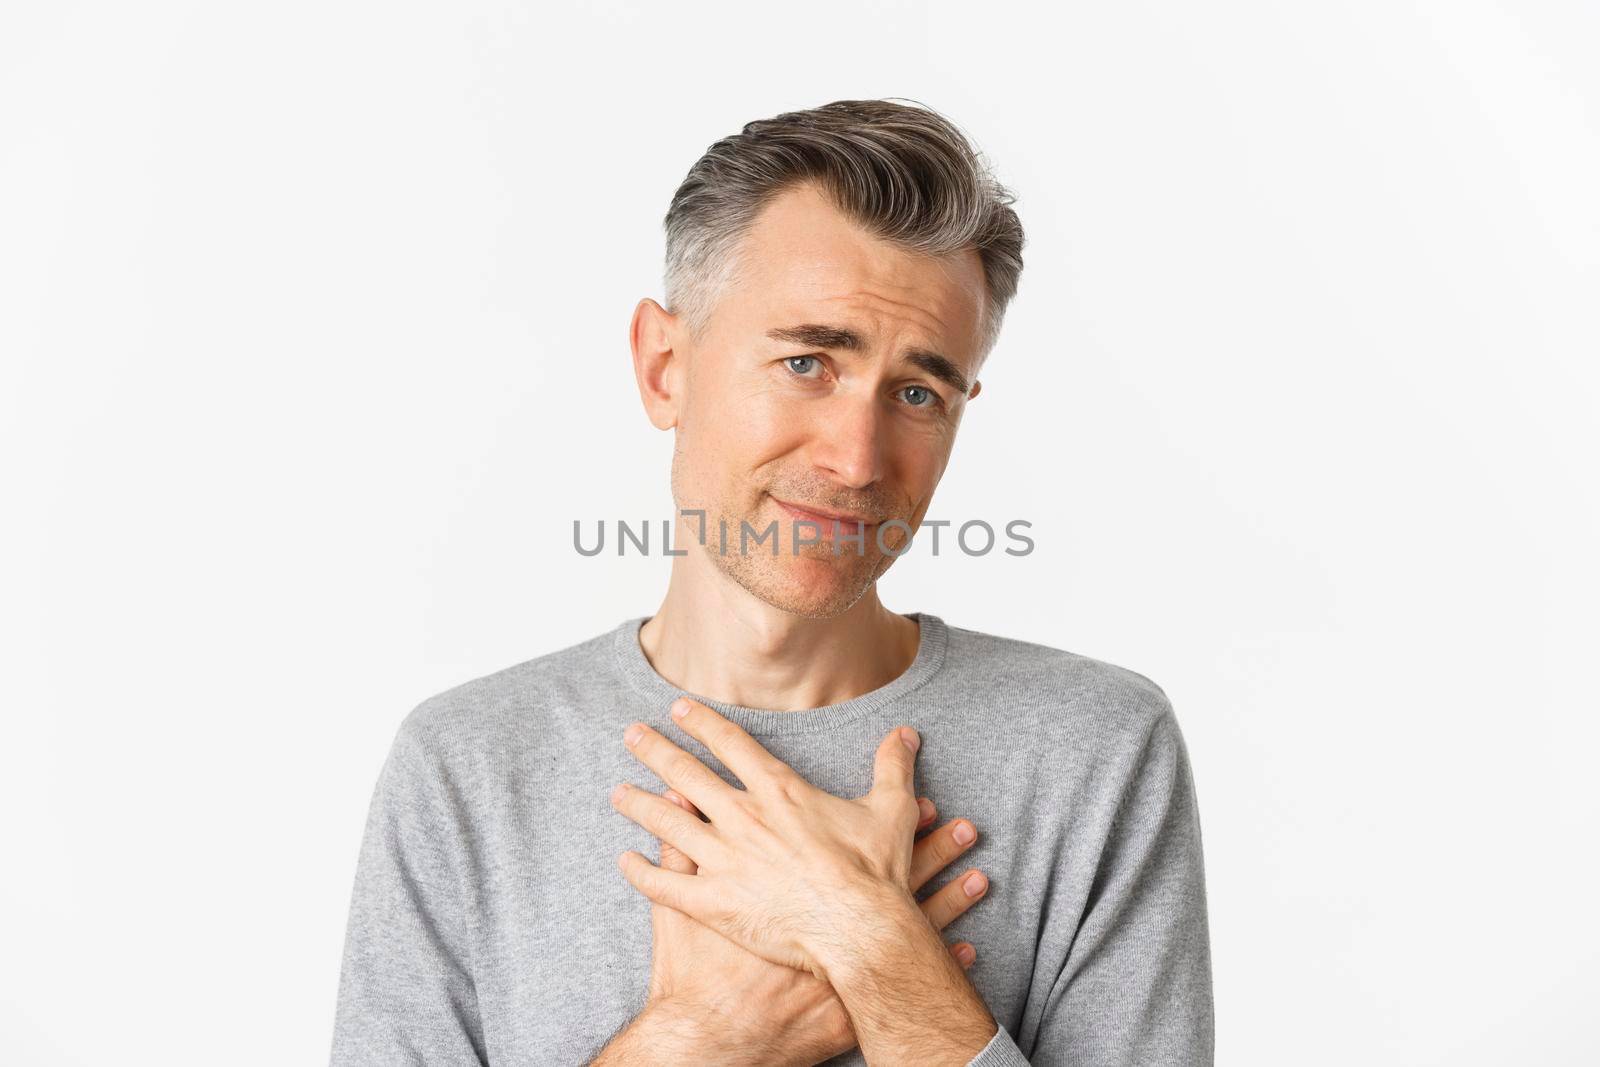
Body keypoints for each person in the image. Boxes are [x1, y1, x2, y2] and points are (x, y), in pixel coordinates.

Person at [329, 98, 1214, 1066]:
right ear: (665, 366)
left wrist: (874, 944)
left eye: (918, 391)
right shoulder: (469, 764)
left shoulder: (1094, 746)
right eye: (806, 362)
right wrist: (696, 1038)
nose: (855, 456)